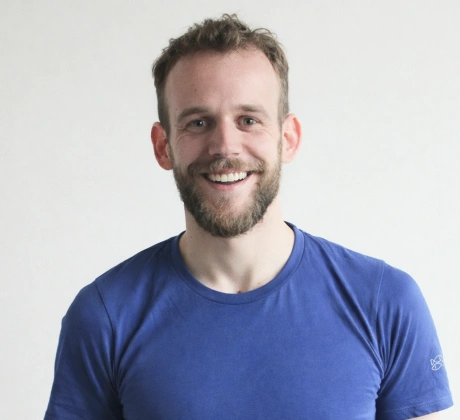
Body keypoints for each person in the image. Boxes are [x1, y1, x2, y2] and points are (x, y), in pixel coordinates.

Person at [45, 14, 453, 419]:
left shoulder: (384, 302)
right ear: (163, 145)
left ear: (287, 138)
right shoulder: (105, 316)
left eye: (249, 120)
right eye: (198, 122)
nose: (225, 145)